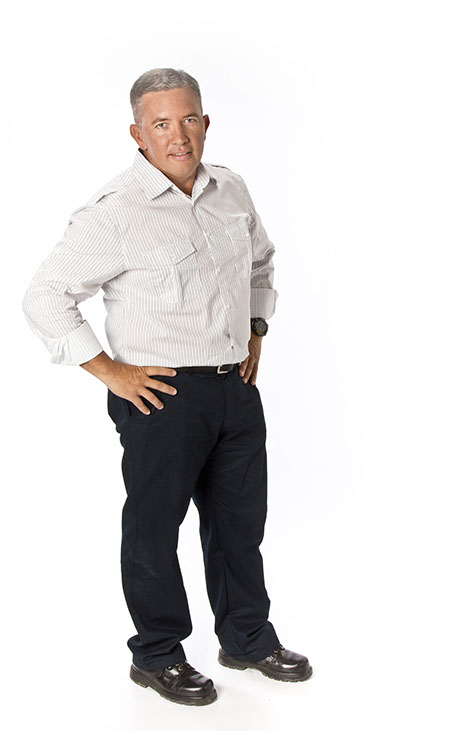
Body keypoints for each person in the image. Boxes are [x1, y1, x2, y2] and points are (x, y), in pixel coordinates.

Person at [22, 67, 313, 706]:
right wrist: (111, 371)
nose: (177, 136)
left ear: (205, 123)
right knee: (153, 530)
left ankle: (246, 638)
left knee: (239, 525)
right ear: (138, 134)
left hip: (236, 386)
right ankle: (156, 655)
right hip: (160, 397)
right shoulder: (114, 212)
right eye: (160, 124)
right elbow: (44, 297)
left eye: (187, 120)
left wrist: (256, 329)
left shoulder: (230, 188)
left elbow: (261, 260)